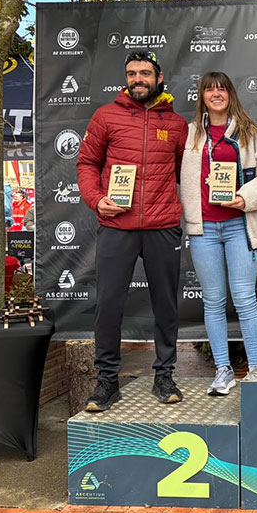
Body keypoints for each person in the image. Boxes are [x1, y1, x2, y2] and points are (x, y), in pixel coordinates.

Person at [77, 51, 188, 411]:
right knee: (108, 305)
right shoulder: (106, 116)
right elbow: (87, 163)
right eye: (131, 73)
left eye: (145, 73)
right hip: (116, 226)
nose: (138, 79)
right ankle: (107, 381)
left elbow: (184, 174)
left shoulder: (177, 124)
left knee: (166, 305)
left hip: (163, 226)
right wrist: (97, 199)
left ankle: (164, 375)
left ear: (159, 77)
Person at [181, 72, 257, 395]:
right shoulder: (188, 135)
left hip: (240, 226)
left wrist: (245, 197)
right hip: (203, 230)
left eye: (222, 89)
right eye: (209, 89)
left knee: (244, 298)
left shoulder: (249, 132)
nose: (216, 94)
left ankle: (254, 369)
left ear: (230, 94)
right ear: (202, 96)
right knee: (213, 301)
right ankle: (223, 371)